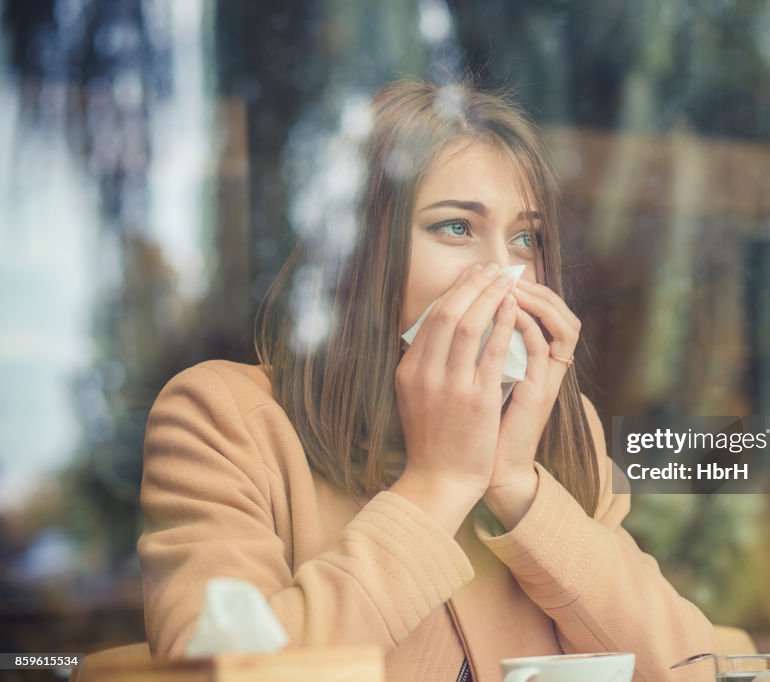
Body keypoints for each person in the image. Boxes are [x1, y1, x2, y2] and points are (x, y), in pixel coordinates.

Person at [137, 78, 723, 682]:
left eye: (526, 239)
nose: (504, 274)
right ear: (361, 257)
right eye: (456, 228)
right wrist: (438, 484)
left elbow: (695, 670)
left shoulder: (563, 441)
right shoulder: (221, 419)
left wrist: (518, 485)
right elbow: (221, 672)